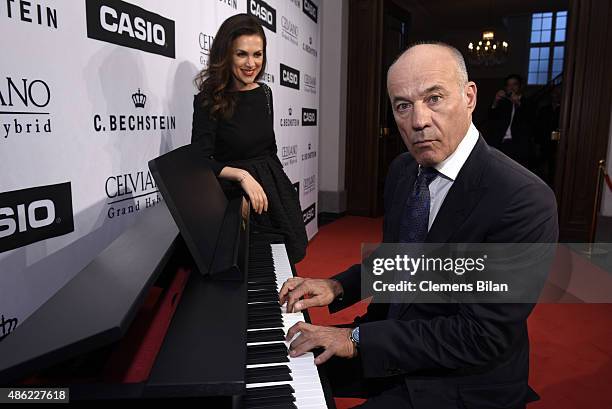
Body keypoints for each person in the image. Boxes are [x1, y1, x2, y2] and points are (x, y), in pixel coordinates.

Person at [279, 42, 558, 408]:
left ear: (469, 96)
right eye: (403, 105)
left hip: (460, 377)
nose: (418, 121)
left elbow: (480, 335)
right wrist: (337, 286)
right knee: (272, 373)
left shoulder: (523, 199)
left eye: (435, 98)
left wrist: (355, 340)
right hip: (394, 337)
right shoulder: (402, 170)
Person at [191, 14, 307, 263]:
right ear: (226, 54)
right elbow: (199, 160)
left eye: (258, 54)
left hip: (271, 193)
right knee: (248, 269)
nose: (251, 63)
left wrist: (281, 192)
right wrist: (242, 176)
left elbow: (270, 149)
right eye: (241, 54)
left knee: (282, 267)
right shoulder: (208, 100)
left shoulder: (265, 93)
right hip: (234, 198)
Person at [487, 74, 534, 167]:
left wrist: (518, 103)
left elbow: (530, 121)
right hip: (500, 144)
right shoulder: (503, 102)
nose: (511, 87)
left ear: (520, 86)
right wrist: (495, 101)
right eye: (508, 85)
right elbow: (490, 118)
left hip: (518, 145)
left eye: (514, 84)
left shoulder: (528, 102)